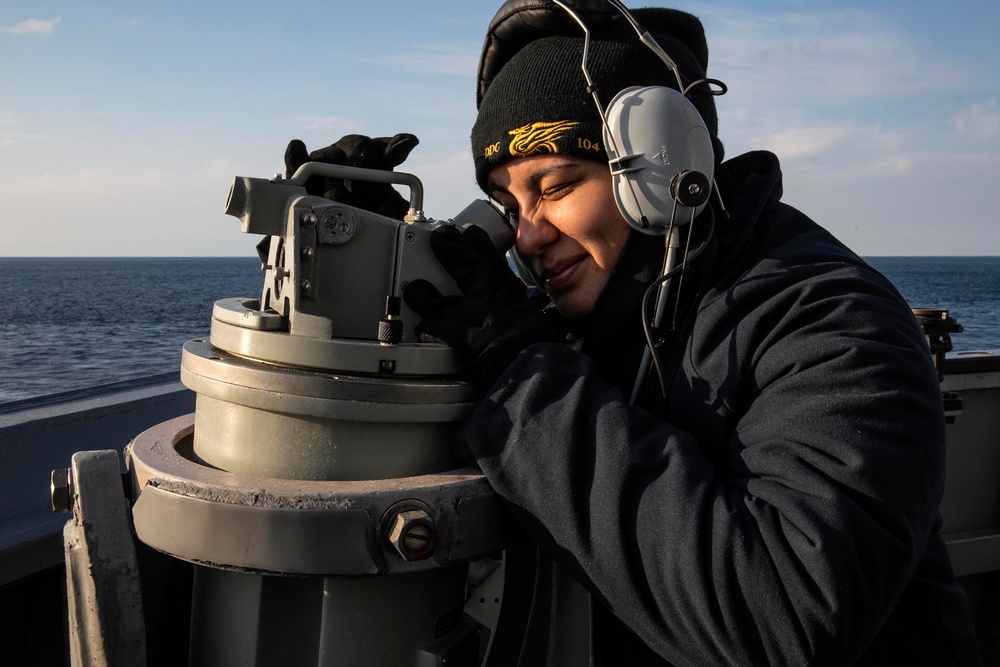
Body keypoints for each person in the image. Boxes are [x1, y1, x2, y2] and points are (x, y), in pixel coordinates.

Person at [400, 1, 982, 664]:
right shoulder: (591, 324)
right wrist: (374, 258)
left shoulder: (834, 322)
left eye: (557, 184)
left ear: (661, 172)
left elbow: (781, 618)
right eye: (510, 207)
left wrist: (525, 382)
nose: (528, 237)